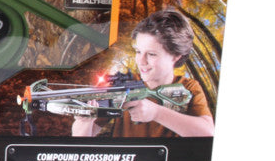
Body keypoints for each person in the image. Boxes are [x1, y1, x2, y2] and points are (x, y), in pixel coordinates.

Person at [73, 9, 214, 138]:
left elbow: (208, 132)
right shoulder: (124, 85)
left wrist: (156, 113)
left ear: (176, 56)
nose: (140, 61)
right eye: (138, 51)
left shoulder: (188, 87)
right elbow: (82, 139)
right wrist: (85, 122)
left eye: (151, 54)